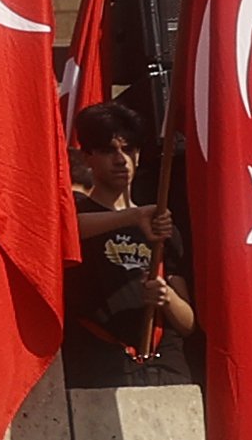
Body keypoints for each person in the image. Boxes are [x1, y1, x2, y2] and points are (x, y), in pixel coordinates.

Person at [56, 101, 194, 384]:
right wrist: (132, 216)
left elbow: (188, 322)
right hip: (99, 368)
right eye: (108, 150)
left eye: (128, 149)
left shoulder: (161, 227)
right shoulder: (76, 215)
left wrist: (166, 297)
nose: (121, 160)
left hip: (165, 368)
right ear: (88, 158)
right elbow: (64, 232)